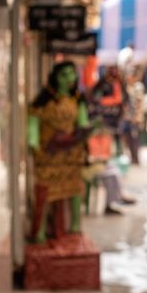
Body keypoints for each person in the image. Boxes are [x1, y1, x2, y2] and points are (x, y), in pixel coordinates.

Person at [28, 61, 91, 242]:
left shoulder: (77, 99)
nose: (69, 79)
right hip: (48, 152)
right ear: (55, 76)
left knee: (73, 188)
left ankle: (74, 225)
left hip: (71, 151)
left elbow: (82, 122)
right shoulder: (43, 100)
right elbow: (33, 120)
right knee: (46, 191)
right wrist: (33, 140)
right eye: (64, 74)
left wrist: (86, 132)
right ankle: (39, 229)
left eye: (72, 74)